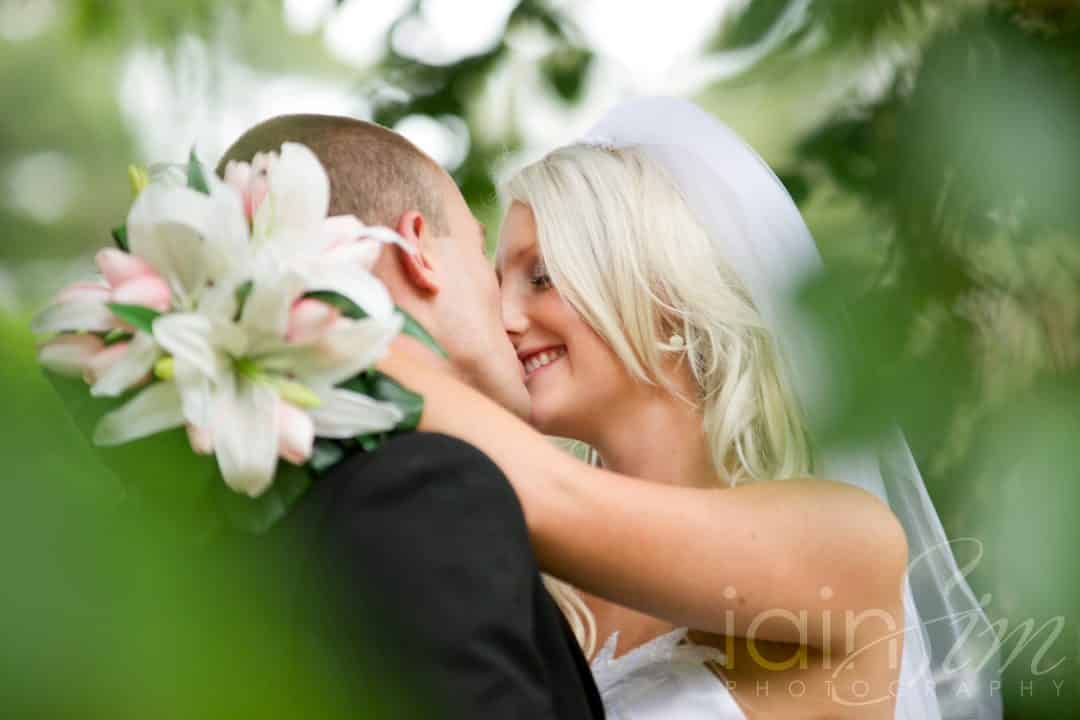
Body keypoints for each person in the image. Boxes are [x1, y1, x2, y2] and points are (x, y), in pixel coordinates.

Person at [376, 98, 1001, 719]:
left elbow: (547, 494)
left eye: (540, 277)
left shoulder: (844, 539)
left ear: (663, 294)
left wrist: (352, 337)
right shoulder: (536, 590)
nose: (505, 318)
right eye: (496, 284)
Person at [216, 115, 605, 720]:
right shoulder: (428, 486)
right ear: (419, 248)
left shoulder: (244, 508)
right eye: (481, 254)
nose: (504, 308)